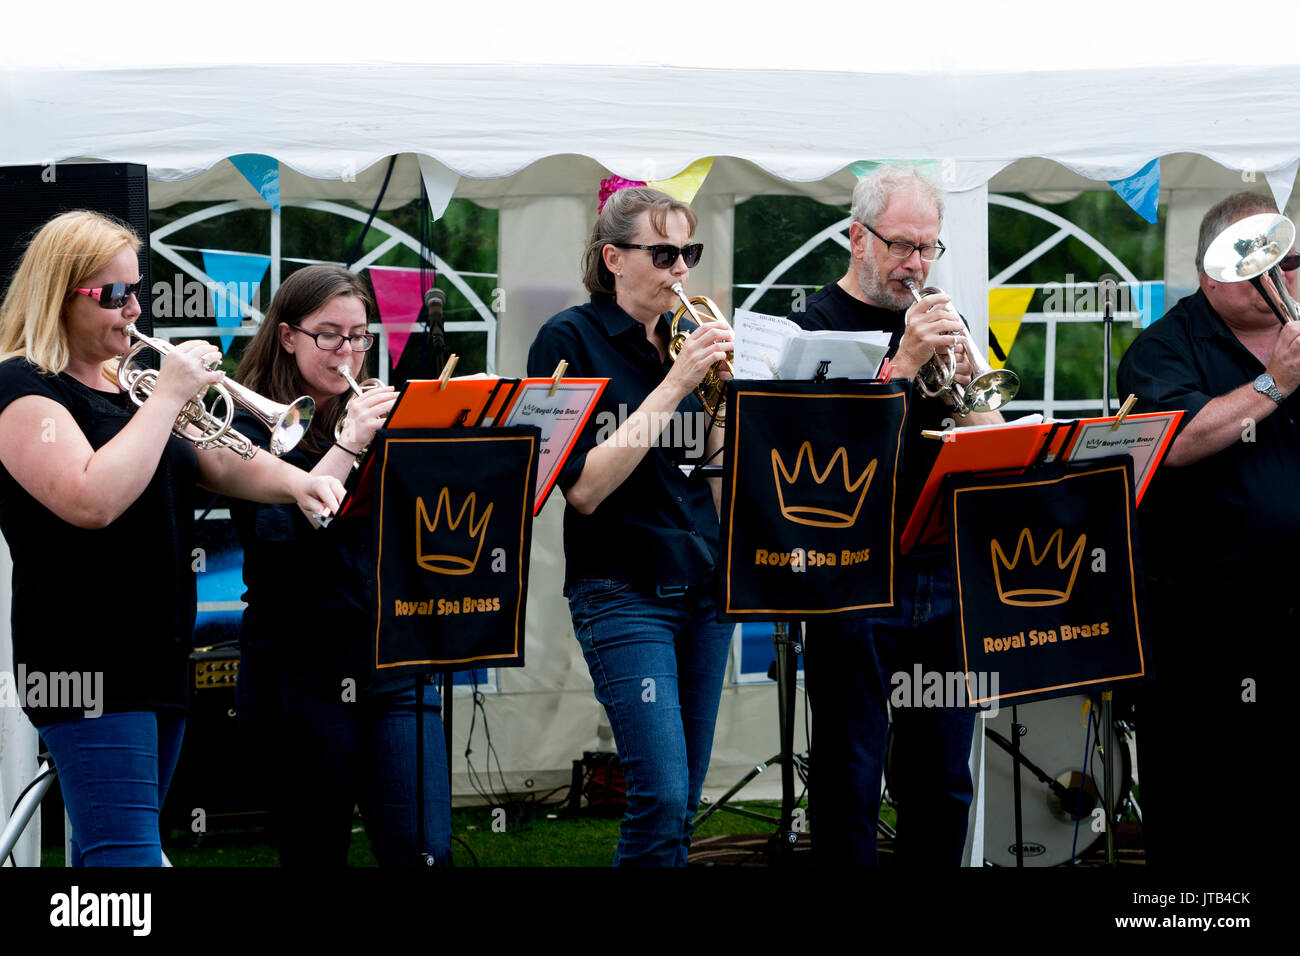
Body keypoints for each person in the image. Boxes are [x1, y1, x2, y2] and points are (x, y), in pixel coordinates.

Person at [0, 210, 342, 866]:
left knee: (105, 856)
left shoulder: (129, 386)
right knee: (125, 860)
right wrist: (167, 398)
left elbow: (213, 457)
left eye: (135, 291)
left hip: (154, 655)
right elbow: (89, 499)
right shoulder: (23, 390)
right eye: (111, 295)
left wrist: (295, 484)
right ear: (56, 292)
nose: (131, 309)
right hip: (84, 661)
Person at [789, 165, 1004, 866]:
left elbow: (992, 440)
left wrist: (971, 383)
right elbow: (821, 459)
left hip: (942, 573)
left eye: (928, 248)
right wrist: (904, 361)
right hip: (853, 576)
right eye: (902, 245)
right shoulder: (812, 328)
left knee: (941, 777)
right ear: (858, 237)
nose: (917, 264)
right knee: (849, 773)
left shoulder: (945, 318)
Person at [526, 185, 735, 866]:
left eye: (689, 252)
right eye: (664, 252)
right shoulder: (568, 339)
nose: (681, 269)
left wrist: (728, 404)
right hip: (622, 587)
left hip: (703, 585)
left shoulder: (679, 341)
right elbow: (583, 489)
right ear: (614, 257)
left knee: (685, 799)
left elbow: (708, 472)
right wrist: (675, 383)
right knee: (661, 792)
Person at [230, 264, 451, 866]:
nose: (348, 352)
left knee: (423, 850)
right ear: (287, 336)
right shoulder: (247, 421)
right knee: (314, 851)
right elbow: (279, 535)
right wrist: (349, 444)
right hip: (300, 669)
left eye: (359, 336)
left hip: (394, 661)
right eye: (329, 335)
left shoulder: (370, 412)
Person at [1117, 192, 1295, 870]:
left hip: (1289, 615)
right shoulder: (1163, 349)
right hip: (1203, 622)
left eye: (1291, 258)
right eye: (1265, 263)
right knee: (1200, 808)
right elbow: (1175, 442)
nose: (1285, 276)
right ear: (1215, 275)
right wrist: (1275, 383)